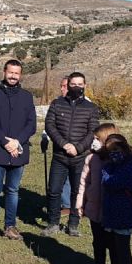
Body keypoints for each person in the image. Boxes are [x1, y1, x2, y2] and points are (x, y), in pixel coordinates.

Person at [0, 59, 36, 242]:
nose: (13, 76)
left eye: (17, 73)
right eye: (10, 72)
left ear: (20, 75)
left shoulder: (27, 97)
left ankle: (10, 226)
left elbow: (31, 125)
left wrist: (17, 142)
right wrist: (6, 143)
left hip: (18, 151)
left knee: (13, 190)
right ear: (4, 72)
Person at [41, 72, 100, 237]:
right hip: (60, 156)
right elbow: (50, 125)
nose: (77, 88)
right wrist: (64, 144)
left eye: (80, 84)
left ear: (85, 85)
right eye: (73, 84)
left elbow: (93, 130)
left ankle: (73, 224)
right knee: (53, 190)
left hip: (80, 157)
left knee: (77, 191)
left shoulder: (91, 108)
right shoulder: (57, 104)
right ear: (68, 85)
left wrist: (78, 148)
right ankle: (53, 223)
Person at [75, 123, 120, 264]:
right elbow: (83, 182)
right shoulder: (90, 159)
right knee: (98, 242)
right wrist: (80, 204)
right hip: (94, 208)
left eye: (97, 139)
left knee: (113, 243)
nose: (93, 142)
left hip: (112, 210)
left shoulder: (117, 160)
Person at [101, 134, 132, 264]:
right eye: (110, 151)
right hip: (115, 213)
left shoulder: (129, 166)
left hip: (124, 213)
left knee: (123, 251)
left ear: (123, 148)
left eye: (116, 150)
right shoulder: (117, 165)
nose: (113, 154)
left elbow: (112, 183)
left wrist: (105, 171)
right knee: (118, 249)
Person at [40, 77, 72, 215]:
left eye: (64, 86)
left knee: (75, 179)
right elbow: (50, 123)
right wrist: (45, 137)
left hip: (79, 149)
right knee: (60, 178)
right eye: (61, 86)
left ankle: (73, 206)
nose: (62, 89)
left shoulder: (86, 104)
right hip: (59, 147)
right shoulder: (57, 103)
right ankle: (63, 204)